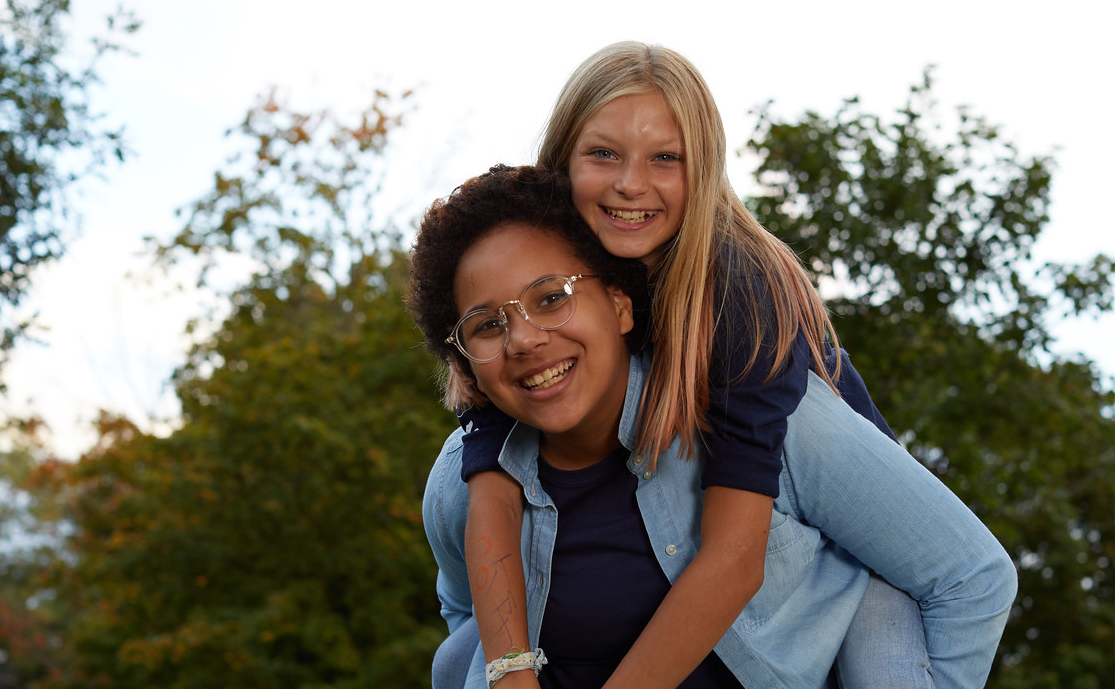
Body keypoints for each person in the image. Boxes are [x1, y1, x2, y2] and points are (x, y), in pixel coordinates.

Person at [409, 165, 1016, 689]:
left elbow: (971, 579)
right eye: (487, 325)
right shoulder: (461, 484)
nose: (524, 341)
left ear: (620, 304)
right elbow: (465, 619)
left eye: (550, 298)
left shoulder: (764, 414)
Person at [451, 42, 914, 689]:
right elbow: (491, 456)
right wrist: (510, 668)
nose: (630, 183)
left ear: (703, 170)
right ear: (562, 160)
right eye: (604, 153)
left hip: (854, 557)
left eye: (666, 157)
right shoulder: (546, 271)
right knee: (461, 651)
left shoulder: (739, 291)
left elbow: (734, 555)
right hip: (750, 554)